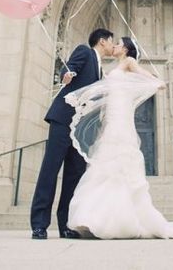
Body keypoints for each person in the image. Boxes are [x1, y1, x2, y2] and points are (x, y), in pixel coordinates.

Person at [64, 36, 173, 239]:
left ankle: (115, 220)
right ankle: (98, 217)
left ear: (127, 49)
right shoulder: (114, 65)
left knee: (119, 157)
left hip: (121, 113)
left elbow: (147, 77)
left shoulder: (129, 62)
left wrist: (156, 82)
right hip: (111, 114)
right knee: (106, 159)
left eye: (119, 44)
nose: (116, 46)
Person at [30, 28, 114, 240]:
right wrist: (65, 75)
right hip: (64, 120)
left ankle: (65, 225)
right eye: (111, 42)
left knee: (74, 176)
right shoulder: (85, 52)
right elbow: (69, 68)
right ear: (102, 41)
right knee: (50, 170)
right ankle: (39, 224)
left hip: (81, 130)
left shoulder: (101, 70)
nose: (113, 46)